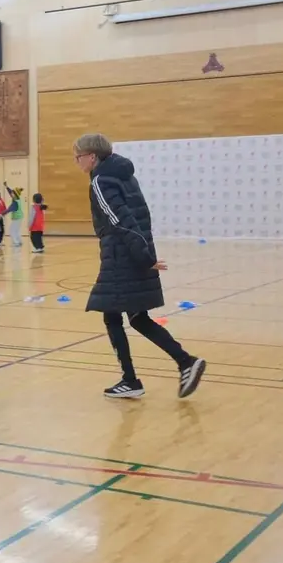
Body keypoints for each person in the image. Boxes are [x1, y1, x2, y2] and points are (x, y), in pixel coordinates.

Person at [75, 133, 206, 399]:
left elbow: (120, 220)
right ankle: (184, 362)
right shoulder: (123, 175)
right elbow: (139, 216)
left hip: (122, 256)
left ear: (91, 156)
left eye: (78, 157)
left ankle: (133, 379)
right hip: (133, 252)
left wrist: (142, 256)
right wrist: (144, 252)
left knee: (113, 315)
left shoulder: (101, 181)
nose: (76, 162)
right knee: (136, 317)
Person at [4, 183, 24, 247]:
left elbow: (9, 209)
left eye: (12, 193)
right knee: (17, 230)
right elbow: (10, 192)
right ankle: (19, 241)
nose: (11, 194)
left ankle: (16, 242)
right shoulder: (17, 199)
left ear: (15, 195)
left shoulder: (15, 203)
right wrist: (7, 187)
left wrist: (1, 214)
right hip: (19, 217)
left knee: (12, 230)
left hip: (17, 218)